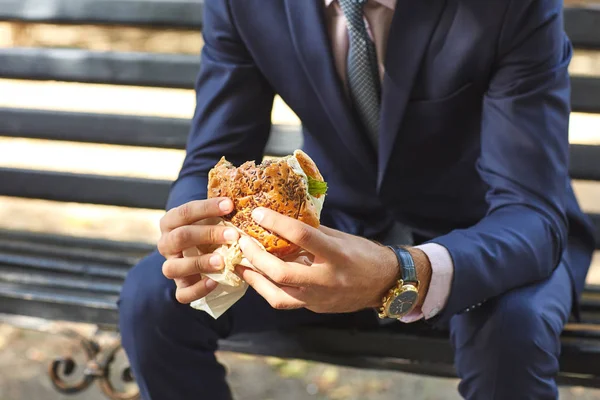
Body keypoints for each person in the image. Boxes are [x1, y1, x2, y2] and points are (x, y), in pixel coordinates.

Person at [118, 0, 597, 398]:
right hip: (336, 223)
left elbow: (530, 212)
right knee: (152, 300)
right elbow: (213, 158)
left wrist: (403, 271)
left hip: (490, 233)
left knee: (510, 333)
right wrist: (197, 237)